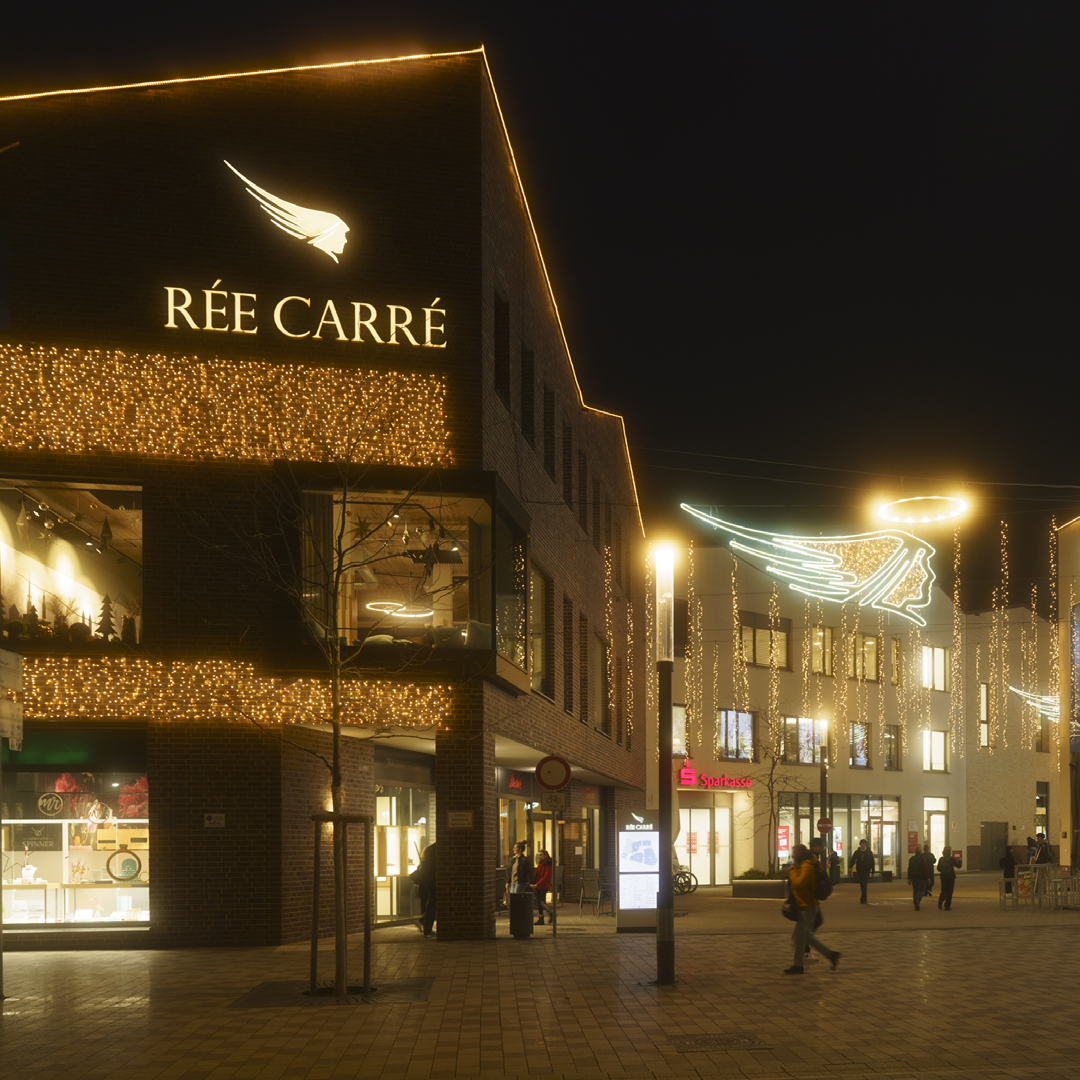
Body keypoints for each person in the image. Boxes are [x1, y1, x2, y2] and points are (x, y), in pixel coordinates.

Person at [785, 843, 840, 975]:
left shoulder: (807, 865)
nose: (792, 855)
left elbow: (800, 883)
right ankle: (831, 955)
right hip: (805, 905)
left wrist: (792, 871)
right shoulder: (804, 864)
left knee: (799, 937)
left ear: (798, 854)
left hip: (807, 906)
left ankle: (798, 966)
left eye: (793, 853)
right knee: (805, 936)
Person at [410, 842, 437, 937]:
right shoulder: (432, 861)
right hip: (433, 885)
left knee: (430, 907)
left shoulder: (426, 861)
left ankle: (427, 928)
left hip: (428, 886)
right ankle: (425, 927)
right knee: (432, 907)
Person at [907, 842, 932, 910]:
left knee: (915, 890)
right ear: (921, 851)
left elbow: (909, 868)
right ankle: (917, 900)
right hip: (921, 877)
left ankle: (915, 903)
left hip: (913, 877)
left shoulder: (911, 858)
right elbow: (926, 867)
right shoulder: (923, 858)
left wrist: (909, 878)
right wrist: (928, 877)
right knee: (922, 890)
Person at [850, 839, 875, 904]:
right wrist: (850, 867)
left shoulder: (869, 852)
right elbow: (853, 859)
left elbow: (872, 862)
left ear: (865, 844)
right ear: (860, 844)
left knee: (864, 883)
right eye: (861, 844)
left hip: (866, 870)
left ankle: (863, 897)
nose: (863, 845)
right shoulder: (857, 852)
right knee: (861, 884)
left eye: (864, 844)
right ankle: (864, 896)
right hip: (859, 870)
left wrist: (873, 872)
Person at [534, 849, 553, 925]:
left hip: (544, 885)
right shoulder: (540, 863)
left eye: (541, 855)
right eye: (538, 855)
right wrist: (535, 883)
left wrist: (537, 884)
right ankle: (541, 919)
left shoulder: (548, 864)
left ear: (545, 856)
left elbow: (546, 876)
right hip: (538, 885)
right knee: (539, 902)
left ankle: (549, 911)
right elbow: (538, 874)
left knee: (541, 901)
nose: (539, 857)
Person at [936, 846, 957, 910]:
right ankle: (947, 906)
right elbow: (958, 866)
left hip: (943, 877)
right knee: (950, 891)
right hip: (950, 876)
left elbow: (938, 869)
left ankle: (941, 900)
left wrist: (943, 870)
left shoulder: (941, 859)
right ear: (949, 852)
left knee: (944, 889)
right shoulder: (951, 859)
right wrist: (960, 861)